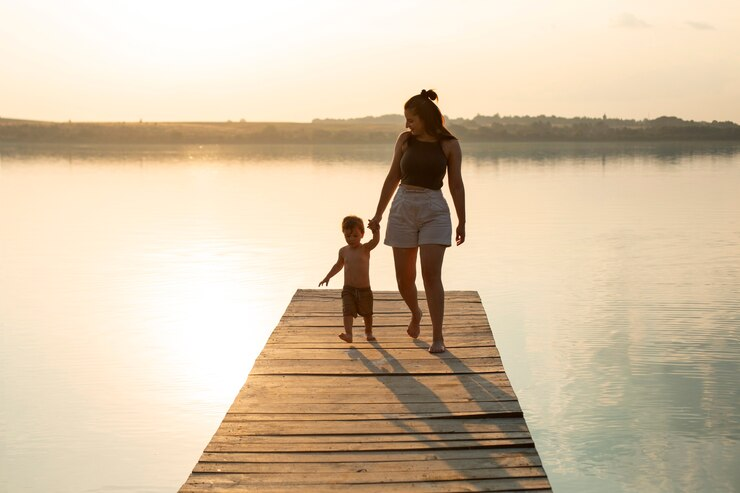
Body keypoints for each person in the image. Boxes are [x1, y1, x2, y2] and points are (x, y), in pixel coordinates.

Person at [368, 89, 466, 353]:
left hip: (435, 210)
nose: (406, 124)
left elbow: (456, 184)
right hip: (402, 208)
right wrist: (378, 214)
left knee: (431, 275)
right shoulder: (404, 140)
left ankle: (438, 337)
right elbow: (392, 178)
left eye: (411, 119)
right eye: (406, 119)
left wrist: (462, 220)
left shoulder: (449, 145)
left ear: (425, 118)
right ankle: (415, 312)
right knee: (404, 278)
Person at [319, 215, 380, 343]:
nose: (351, 239)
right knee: (347, 311)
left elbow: (375, 241)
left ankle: (368, 332)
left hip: (364, 289)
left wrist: (376, 230)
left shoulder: (365, 248)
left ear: (362, 234)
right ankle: (348, 334)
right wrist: (327, 277)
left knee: (367, 313)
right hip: (348, 289)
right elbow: (338, 265)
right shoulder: (343, 251)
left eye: (355, 236)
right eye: (347, 236)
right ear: (344, 235)